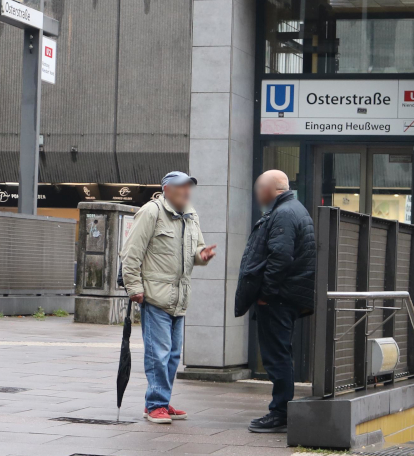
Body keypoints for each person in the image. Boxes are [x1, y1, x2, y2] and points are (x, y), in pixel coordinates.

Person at [120, 172, 217, 424]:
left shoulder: (191, 214)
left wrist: (201, 255)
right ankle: (155, 405)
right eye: (182, 188)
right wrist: (134, 288)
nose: (187, 192)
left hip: (180, 298)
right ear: (167, 189)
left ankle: (161, 400)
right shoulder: (151, 212)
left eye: (189, 188)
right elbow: (131, 254)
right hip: (154, 297)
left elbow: (196, 249)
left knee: (173, 354)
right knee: (158, 354)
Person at [235, 170, 316, 434]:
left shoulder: (283, 213)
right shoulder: (294, 210)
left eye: (260, 188)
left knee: (276, 355)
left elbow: (280, 258)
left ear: (272, 189)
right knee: (280, 353)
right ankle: (281, 410)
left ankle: (280, 412)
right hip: (286, 296)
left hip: (279, 298)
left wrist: (265, 295)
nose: (258, 193)